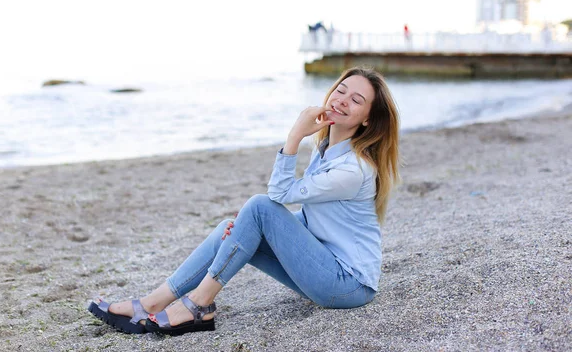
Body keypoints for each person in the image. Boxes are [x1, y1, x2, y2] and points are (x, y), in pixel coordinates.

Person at [88, 67, 401, 336]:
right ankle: (151, 303)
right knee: (233, 225)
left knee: (259, 206)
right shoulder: (329, 153)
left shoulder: (353, 168)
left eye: (356, 100)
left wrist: (294, 136)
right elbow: (315, 221)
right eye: (340, 91)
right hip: (326, 269)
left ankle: (198, 305)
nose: (342, 101)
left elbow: (278, 195)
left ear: (366, 121)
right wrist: (248, 229)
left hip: (347, 285)